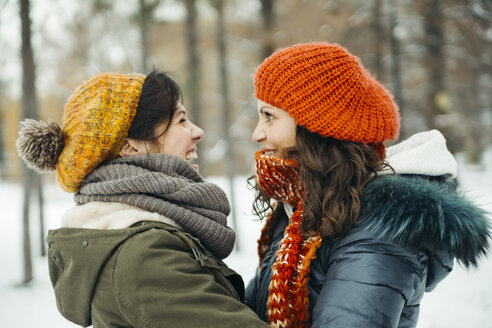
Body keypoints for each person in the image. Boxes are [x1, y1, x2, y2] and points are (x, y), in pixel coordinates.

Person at [245, 42, 490, 328]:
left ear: (317, 125)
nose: (256, 133)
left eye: (269, 116)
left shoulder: (379, 230)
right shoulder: (305, 207)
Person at [16, 72, 269, 328]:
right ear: (129, 146)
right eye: (180, 120)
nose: (198, 131)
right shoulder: (144, 255)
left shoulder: (136, 233)